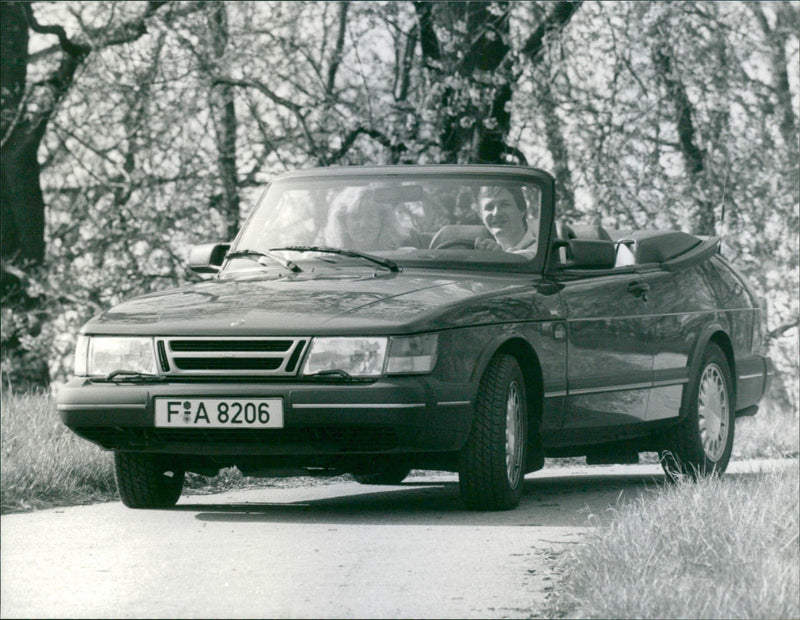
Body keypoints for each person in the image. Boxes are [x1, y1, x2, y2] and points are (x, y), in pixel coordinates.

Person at [474, 185, 537, 257]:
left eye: (504, 205)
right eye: (489, 207)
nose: (496, 213)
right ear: (481, 216)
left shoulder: (537, 251)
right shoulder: (483, 251)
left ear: (522, 210)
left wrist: (499, 257)